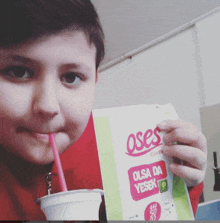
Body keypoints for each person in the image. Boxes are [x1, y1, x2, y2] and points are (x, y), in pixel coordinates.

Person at [0, 0, 207, 220]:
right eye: (19, 72)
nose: (48, 106)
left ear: (95, 80)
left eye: (71, 77)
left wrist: (182, 185)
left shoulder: (122, 151)